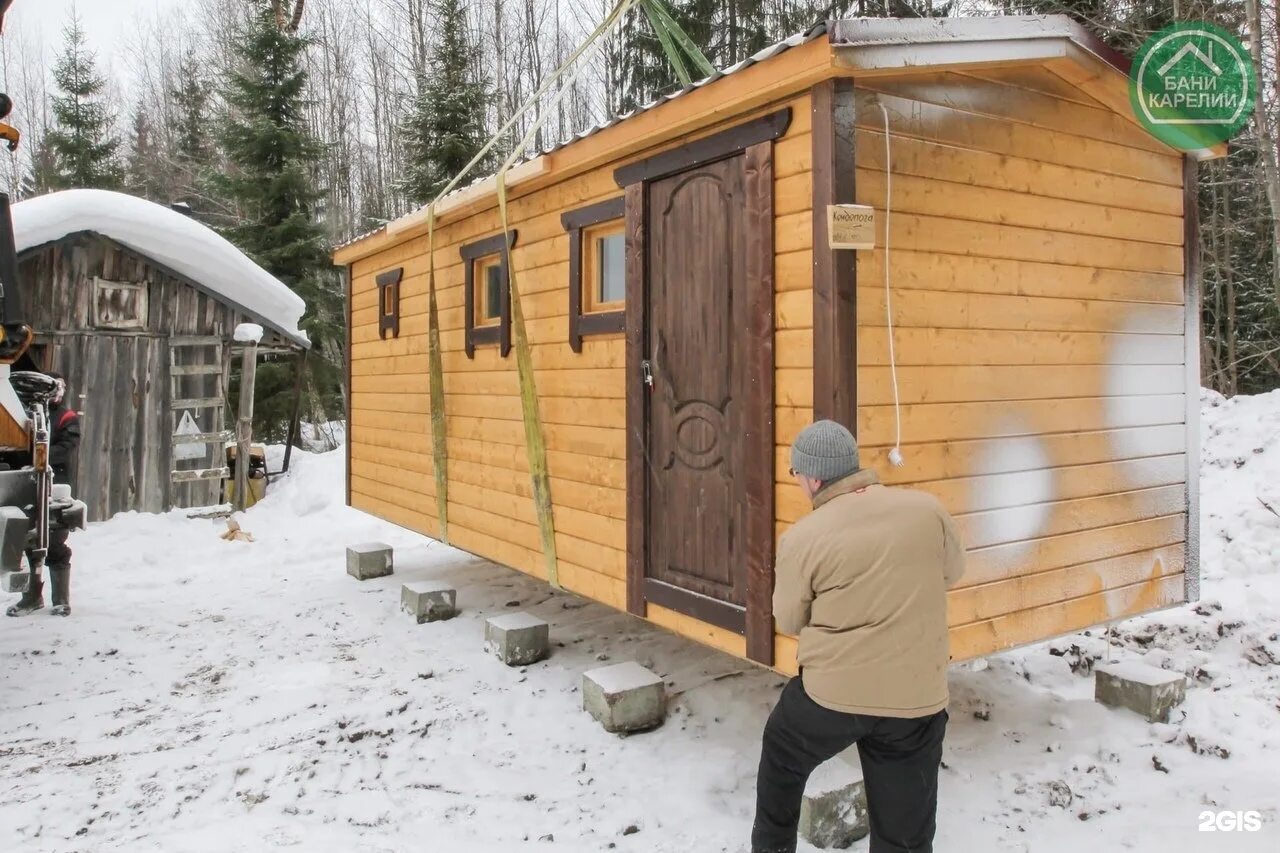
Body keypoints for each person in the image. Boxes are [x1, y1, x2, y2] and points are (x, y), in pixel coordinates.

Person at [752, 420, 966, 853]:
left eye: (796, 476)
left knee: (782, 753)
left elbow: (789, 619)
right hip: (916, 697)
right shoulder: (928, 510)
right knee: (905, 830)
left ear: (813, 477)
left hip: (833, 699)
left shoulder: (803, 537)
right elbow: (953, 572)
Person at [6, 371, 79, 617]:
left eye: (61, 386)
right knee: (28, 542)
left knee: (55, 541)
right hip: (27, 485)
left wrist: (41, 459)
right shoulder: (23, 415)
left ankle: (61, 600)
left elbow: (66, 448)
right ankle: (31, 598)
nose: (58, 391)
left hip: (56, 486)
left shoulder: (66, 417)